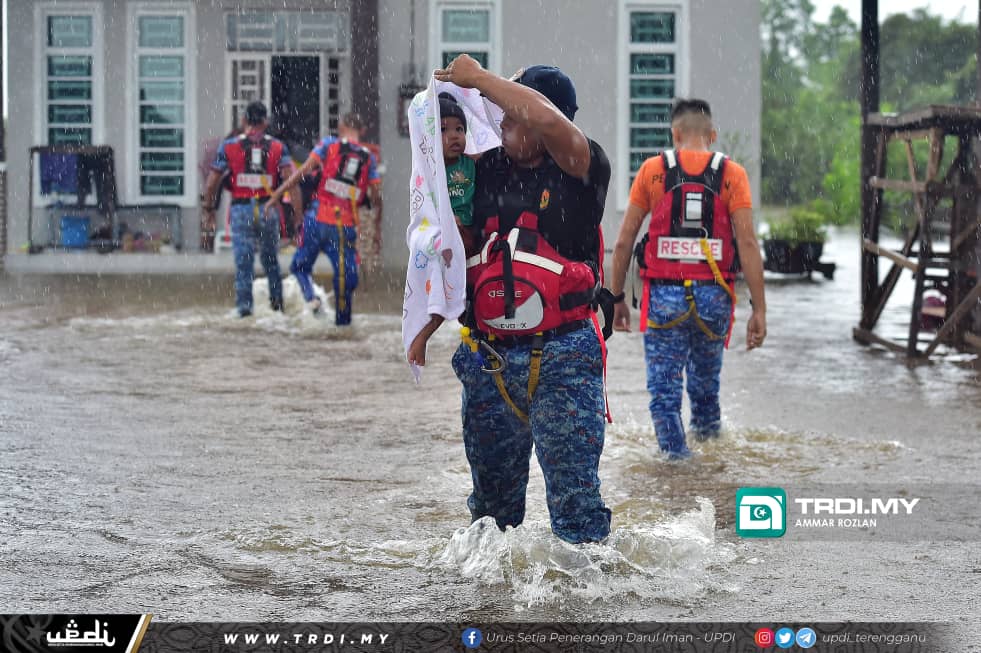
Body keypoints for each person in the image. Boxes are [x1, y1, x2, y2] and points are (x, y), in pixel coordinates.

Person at [431, 55, 613, 544]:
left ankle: (582, 614)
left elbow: (546, 120)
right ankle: (490, 616)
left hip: (564, 358)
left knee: (576, 511)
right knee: (490, 520)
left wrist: (484, 80)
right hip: (488, 358)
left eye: (512, 114)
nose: (503, 122)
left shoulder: (583, 165)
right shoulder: (483, 169)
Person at [608, 98, 767, 459]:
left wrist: (616, 298)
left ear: (675, 134)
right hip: (714, 298)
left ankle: (676, 467)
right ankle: (710, 460)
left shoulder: (652, 171)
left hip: (663, 298)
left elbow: (622, 243)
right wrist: (760, 309)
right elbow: (747, 243)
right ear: (712, 135)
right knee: (705, 387)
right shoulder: (733, 175)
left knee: (664, 393)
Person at [266, 113, 382, 325]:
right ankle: (343, 323)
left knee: (300, 267)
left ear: (341, 126)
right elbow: (375, 197)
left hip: (317, 219)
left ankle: (312, 299)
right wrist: (375, 225)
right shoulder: (369, 157)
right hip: (344, 225)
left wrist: (276, 195)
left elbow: (301, 172)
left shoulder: (329, 145)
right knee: (345, 278)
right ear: (362, 131)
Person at [202, 101, 299, 317]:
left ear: (244, 120)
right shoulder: (278, 147)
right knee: (271, 260)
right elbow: (291, 182)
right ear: (266, 122)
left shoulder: (229, 146)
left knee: (243, 262)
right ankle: (277, 307)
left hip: (241, 210)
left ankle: (244, 308)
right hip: (267, 208)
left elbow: (211, 183)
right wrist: (297, 217)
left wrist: (208, 209)